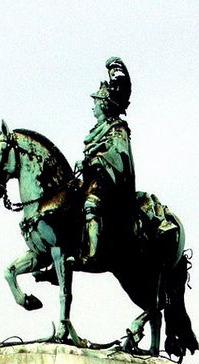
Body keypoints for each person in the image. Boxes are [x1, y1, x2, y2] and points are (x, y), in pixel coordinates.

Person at [79, 58, 135, 266]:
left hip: (109, 183)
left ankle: (93, 253)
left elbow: (119, 156)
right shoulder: (96, 131)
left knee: (90, 204)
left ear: (103, 104)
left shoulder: (117, 128)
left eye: (95, 103)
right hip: (93, 180)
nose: (92, 107)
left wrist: (94, 161)